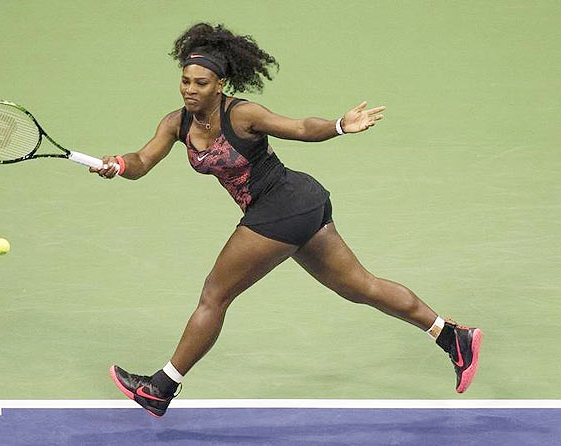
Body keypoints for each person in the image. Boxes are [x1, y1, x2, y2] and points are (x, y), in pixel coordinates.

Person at [91, 23, 482, 418]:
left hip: (283, 204)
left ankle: (161, 387)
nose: (191, 89)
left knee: (215, 294)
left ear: (220, 84)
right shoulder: (177, 123)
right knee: (359, 286)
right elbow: (142, 162)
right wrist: (118, 164)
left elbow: (299, 128)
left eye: (201, 83)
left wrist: (340, 125)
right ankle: (452, 336)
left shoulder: (242, 114)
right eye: (185, 81)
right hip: (297, 206)